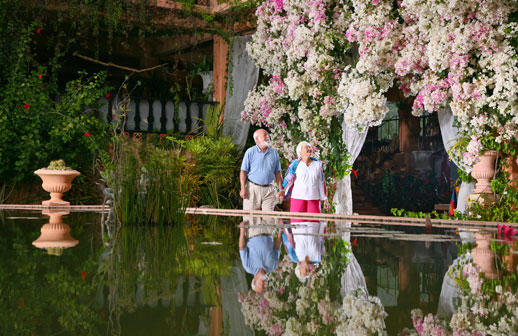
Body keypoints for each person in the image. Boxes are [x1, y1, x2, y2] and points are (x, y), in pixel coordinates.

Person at [239, 129, 284, 292]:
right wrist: (242, 188)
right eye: (264, 135)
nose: (267, 137)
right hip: (252, 189)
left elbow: (278, 172)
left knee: (269, 217)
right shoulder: (250, 152)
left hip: (269, 191)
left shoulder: (274, 153)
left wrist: (280, 189)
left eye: (262, 284)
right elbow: (243, 171)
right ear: (257, 139)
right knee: (249, 217)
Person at [282, 141, 330, 222]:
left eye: (310, 147)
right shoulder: (295, 165)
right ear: (300, 152)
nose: (309, 149)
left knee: (314, 226)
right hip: (297, 198)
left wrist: (325, 199)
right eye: (307, 147)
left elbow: (321, 182)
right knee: (297, 226)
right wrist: (282, 191)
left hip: (314, 198)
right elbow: (287, 180)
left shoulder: (317, 164)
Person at [239, 224, 283, 293]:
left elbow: (242, 248)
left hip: (252, 230)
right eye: (266, 287)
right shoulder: (273, 266)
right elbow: (277, 247)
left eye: (262, 286)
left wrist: (242, 231)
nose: (266, 285)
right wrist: (280, 230)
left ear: (255, 281)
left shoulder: (248, 267)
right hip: (269, 229)